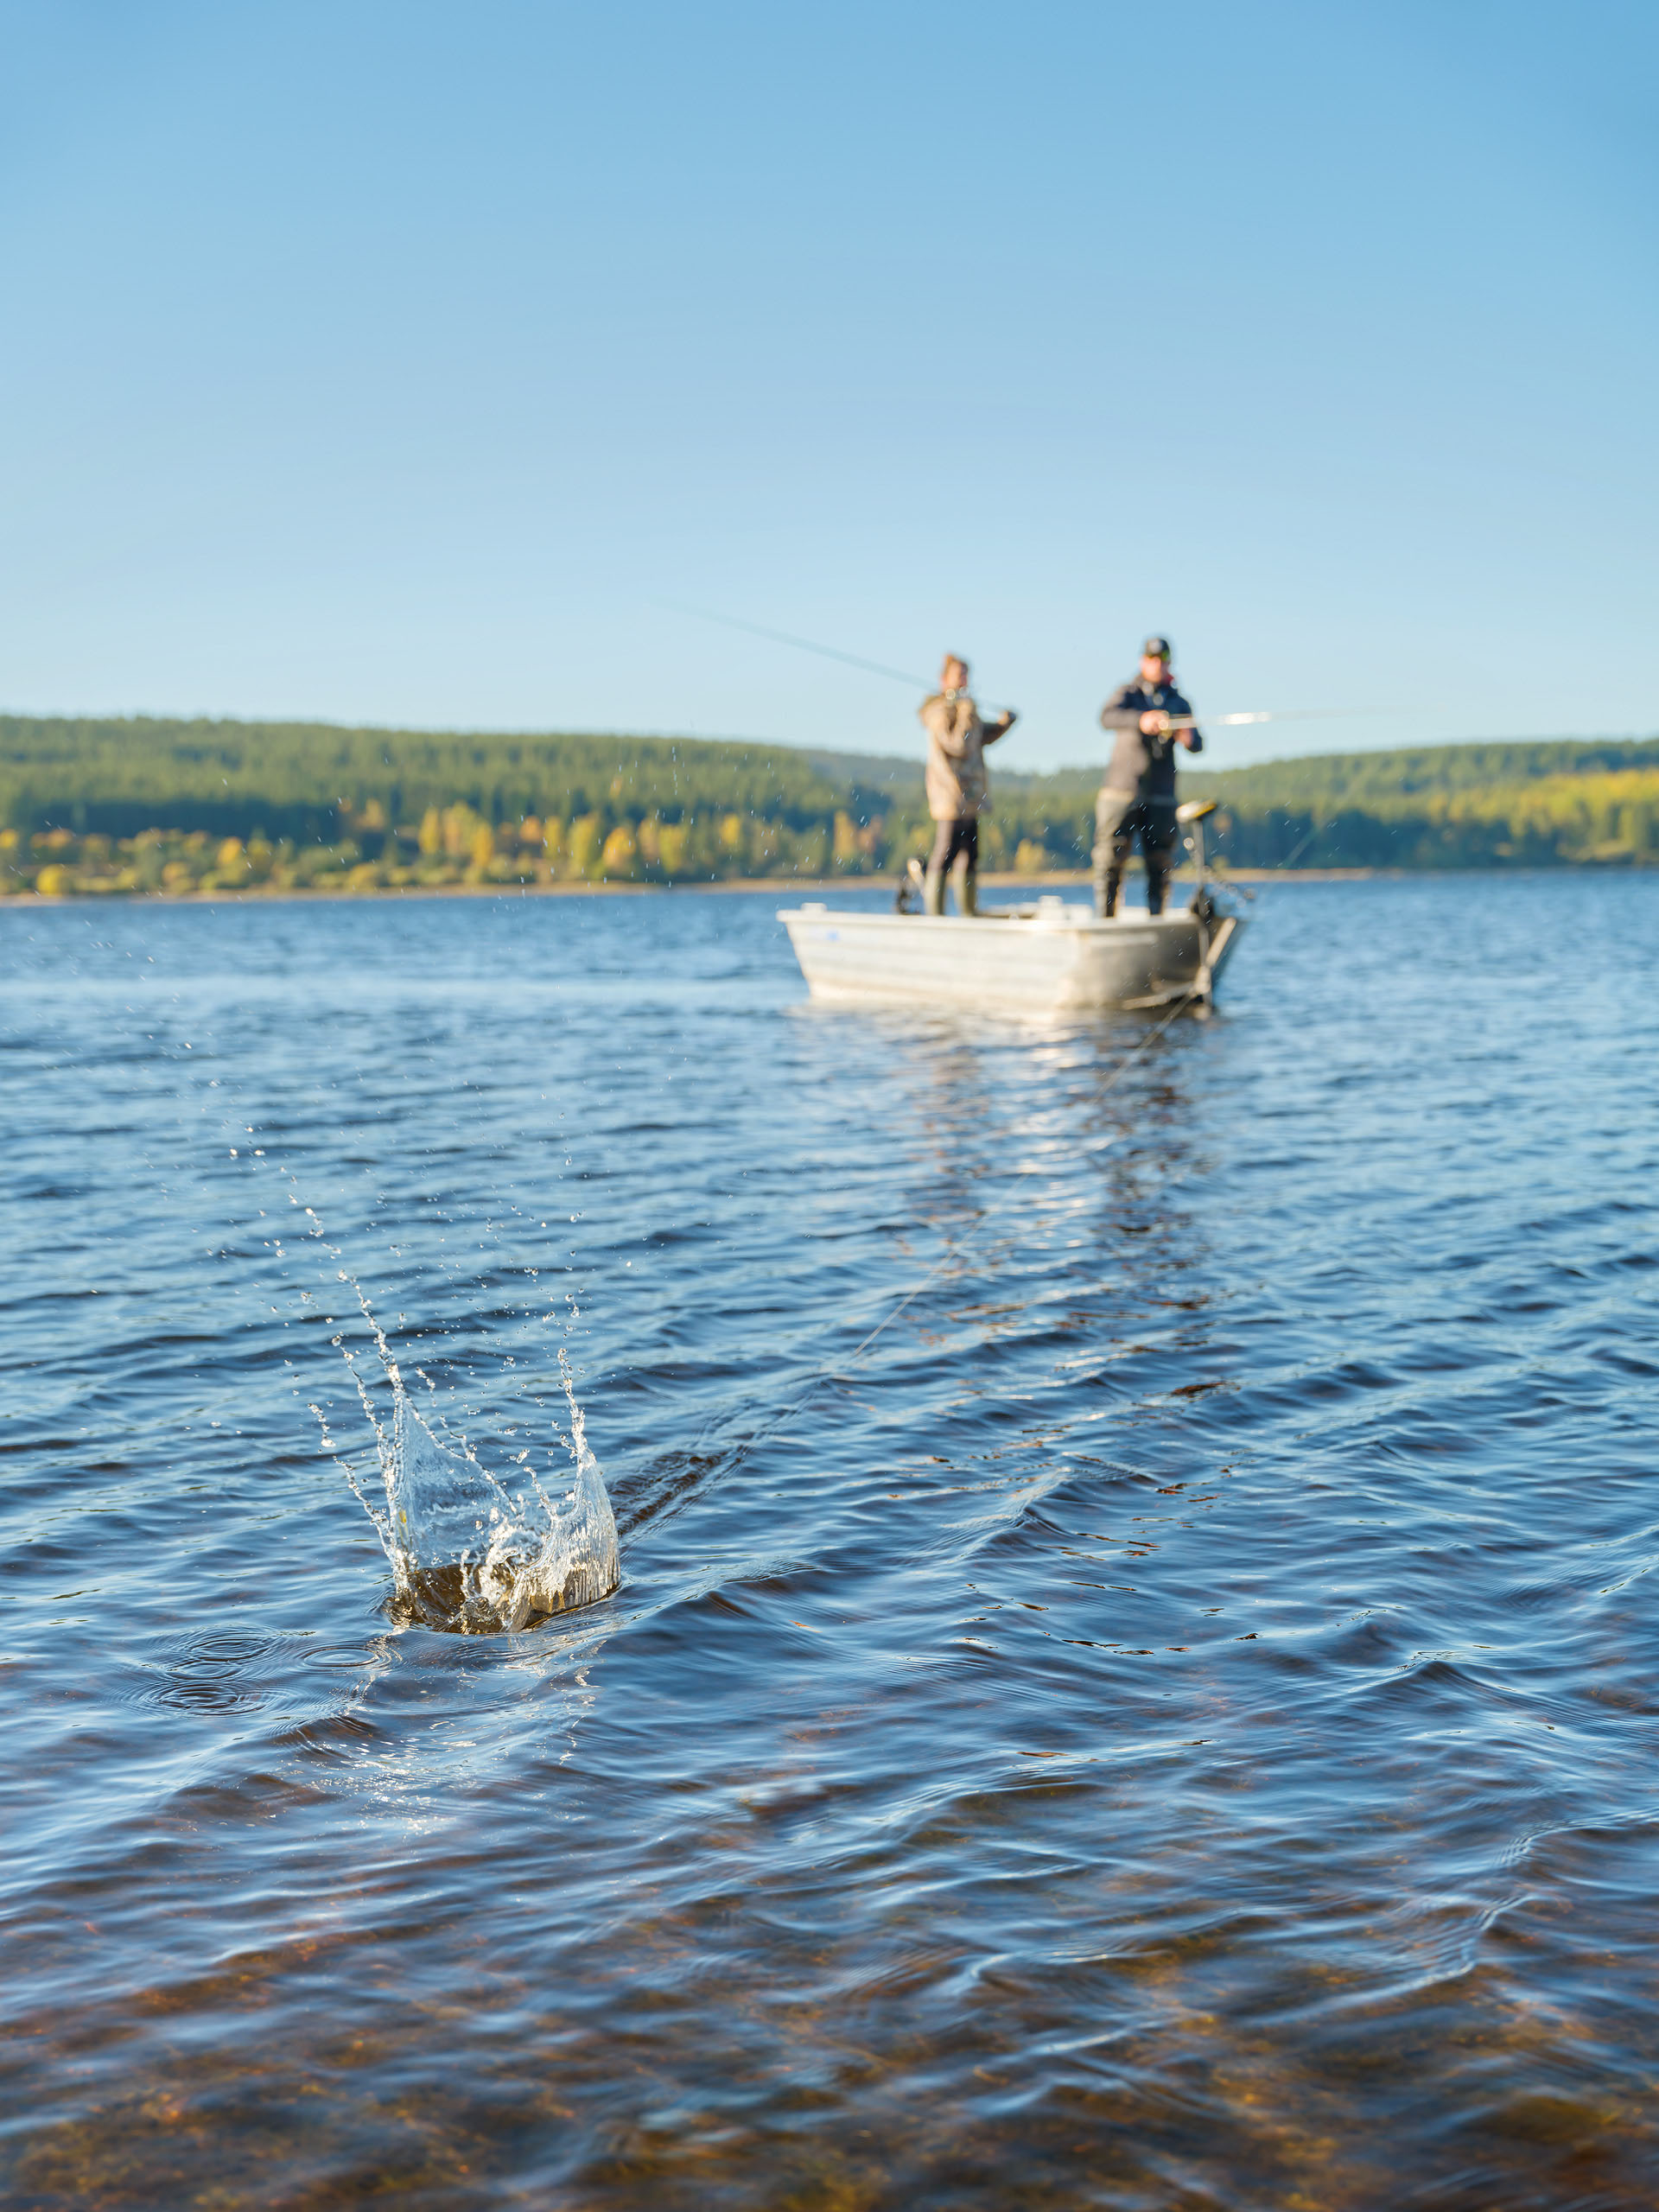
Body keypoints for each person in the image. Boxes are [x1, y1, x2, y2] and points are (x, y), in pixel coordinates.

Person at [1094, 635, 1203, 917]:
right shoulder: (1128, 693)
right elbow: (1106, 717)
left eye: (1163, 660)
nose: (1158, 665)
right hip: (1122, 790)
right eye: (1153, 659)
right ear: (1143, 661)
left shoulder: (1179, 702)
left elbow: (1197, 744)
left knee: (1160, 862)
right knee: (1111, 858)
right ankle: (1106, 918)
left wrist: (1187, 737)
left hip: (1162, 794)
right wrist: (1141, 721)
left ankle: (1157, 918)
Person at [918, 655, 1016, 916]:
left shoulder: (964, 709)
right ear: (944, 679)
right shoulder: (940, 712)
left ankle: (968, 913)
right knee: (946, 853)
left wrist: (1005, 724)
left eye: (966, 674)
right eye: (959, 674)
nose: (964, 680)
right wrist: (965, 711)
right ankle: (935, 915)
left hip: (970, 796)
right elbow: (958, 744)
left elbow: (980, 737)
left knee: (970, 854)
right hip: (949, 796)